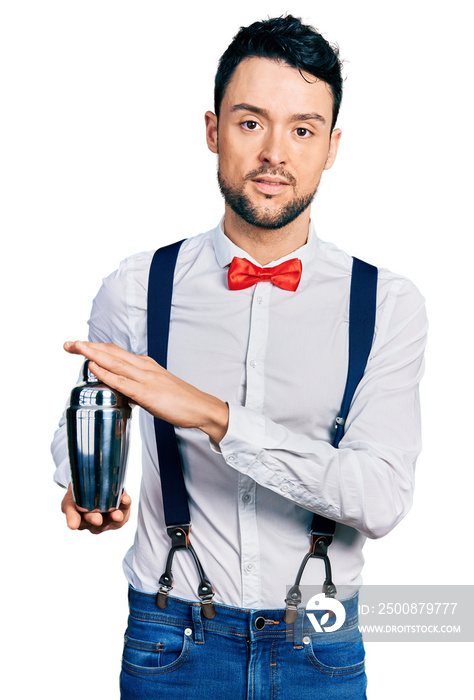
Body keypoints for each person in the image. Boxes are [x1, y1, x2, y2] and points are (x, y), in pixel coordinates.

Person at [51, 15, 427, 699]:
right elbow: (88, 419)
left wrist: (214, 416)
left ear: (332, 146)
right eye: (251, 123)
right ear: (212, 130)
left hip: (322, 641)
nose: (275, 153)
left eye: (303, 129)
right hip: (172, 640)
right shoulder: (136, 290)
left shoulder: (389, 305)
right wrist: (82, 484)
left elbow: (379, 498)